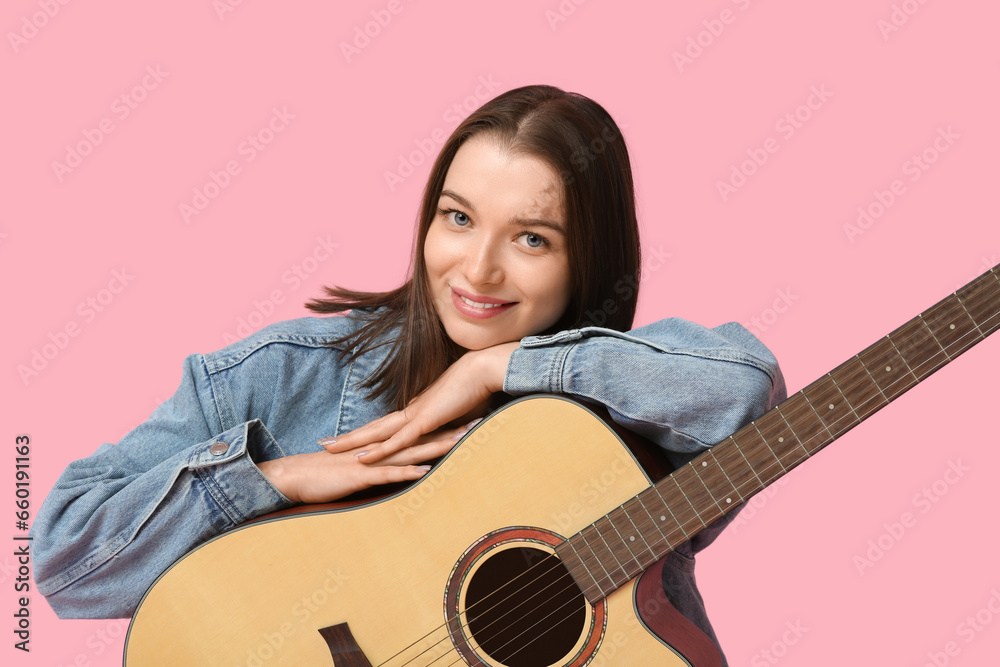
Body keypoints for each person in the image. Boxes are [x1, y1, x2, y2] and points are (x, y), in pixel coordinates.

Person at [32, 84, 786, 664]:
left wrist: (503, 368)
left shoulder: (631, 412)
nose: (478, 268)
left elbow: (748, 394)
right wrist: (279, 479)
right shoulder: (289, 373)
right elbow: (64, 559)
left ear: (588, 257)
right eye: (458, 218)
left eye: (531, 236)